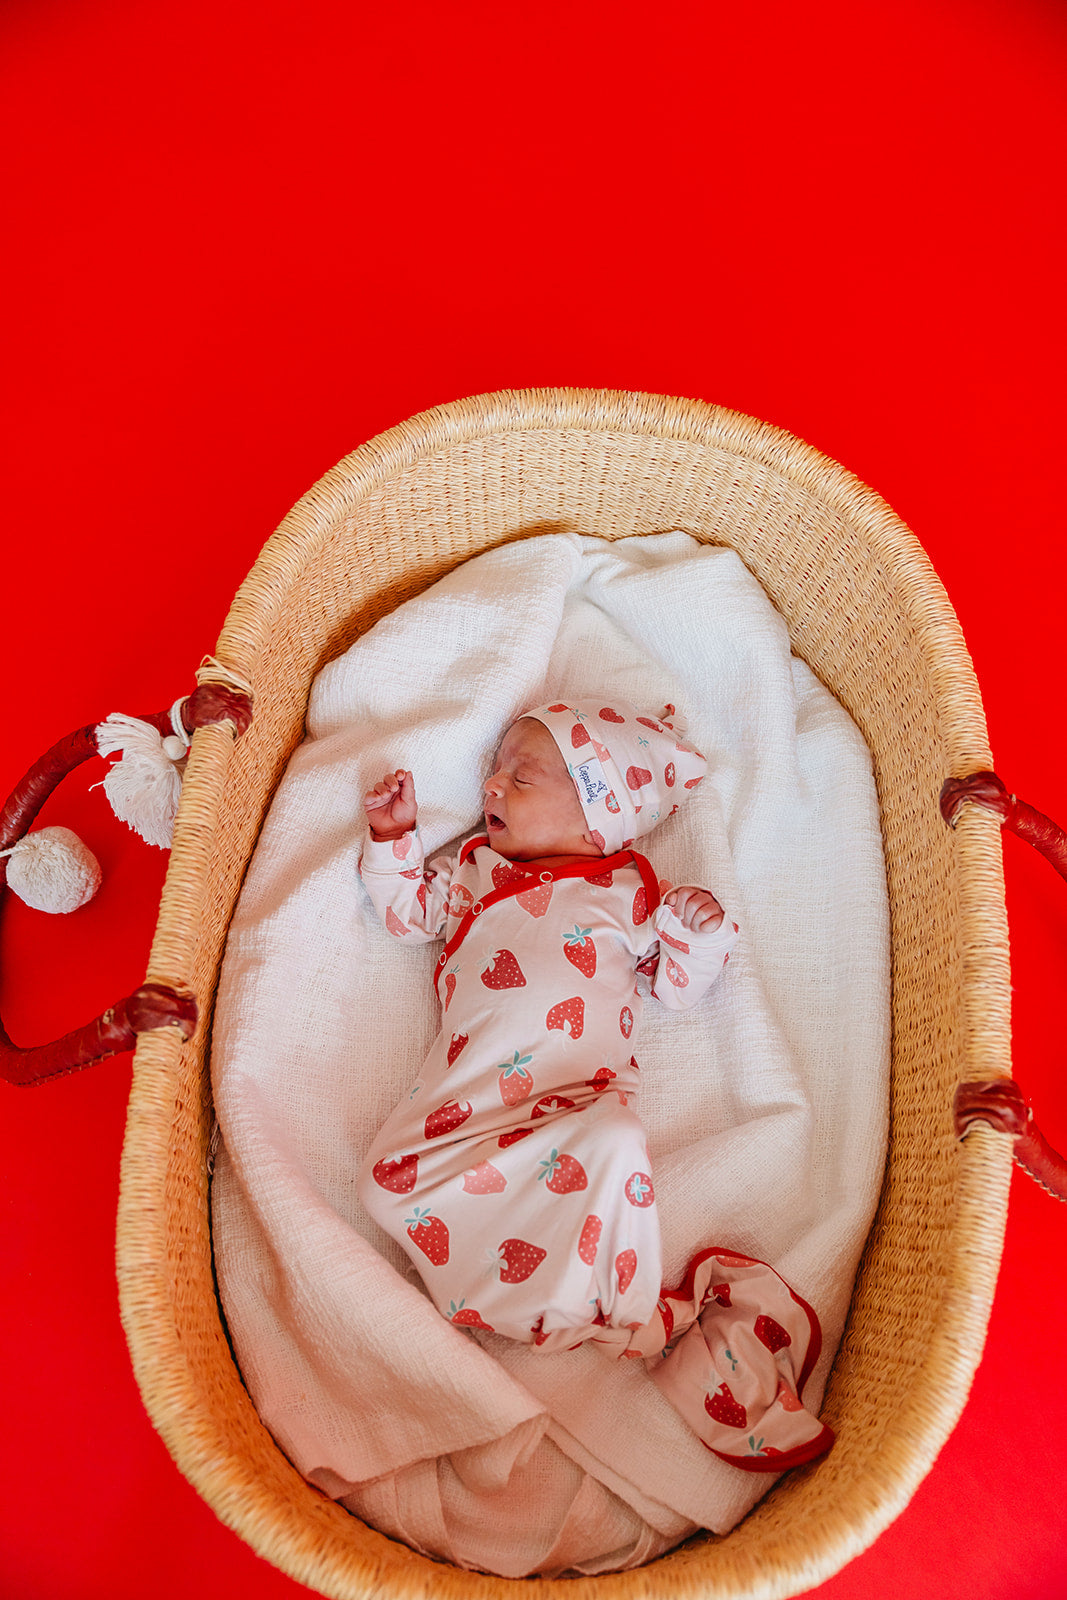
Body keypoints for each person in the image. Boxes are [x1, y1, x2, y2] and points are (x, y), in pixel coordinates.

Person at [356, 699, 833, 1470]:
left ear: (595, 822)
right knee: (385, 1182)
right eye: (493, 770)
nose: (492, 787)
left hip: (574, 1097)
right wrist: (392, 840)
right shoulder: (475, 869)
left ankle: (581, 1304)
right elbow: (408, 915)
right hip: (471, 1098)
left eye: (521, 775)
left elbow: (676, 988)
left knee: (613, 1143)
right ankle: (511, 1291)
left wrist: (695, 933)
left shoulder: (627, 891)